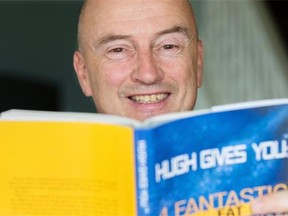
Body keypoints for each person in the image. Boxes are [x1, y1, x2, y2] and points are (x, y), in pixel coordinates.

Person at [73, 0, 287, 214]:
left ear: (198, 63)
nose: (148, 73)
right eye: (118, 50)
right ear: (83, 74)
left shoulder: (271, 173)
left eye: (169, 46)